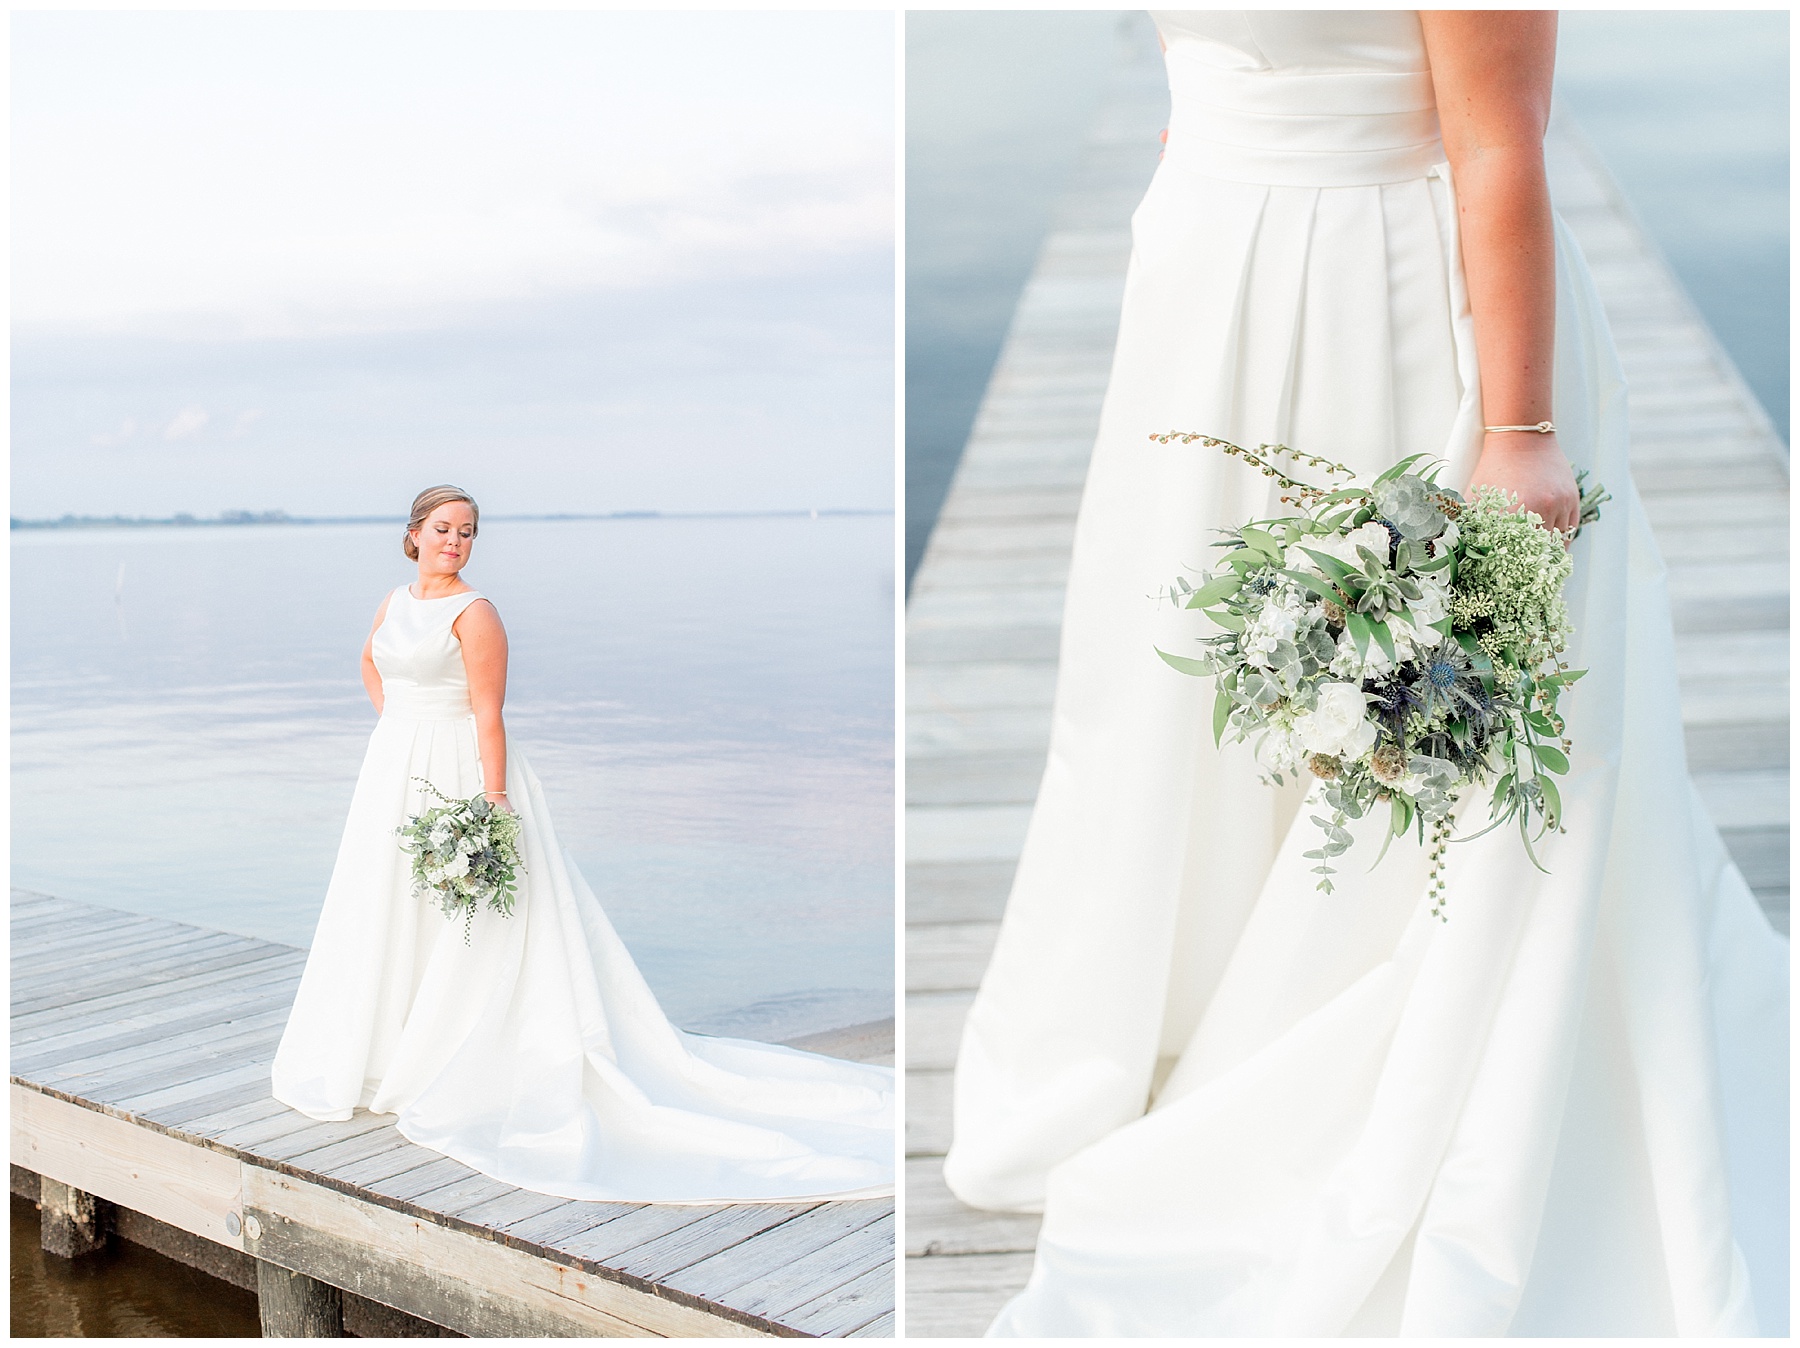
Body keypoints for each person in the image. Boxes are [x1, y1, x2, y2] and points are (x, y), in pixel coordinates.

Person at [943, 11, 1787, 1334]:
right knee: (1165, 689)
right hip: (1210, 284)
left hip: (1400, 302)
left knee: (1416, 712)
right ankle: (1196, 1003)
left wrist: (1518, 430)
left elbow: (1500, 142)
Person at [272, 484, 893, 1203]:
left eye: (468, 532)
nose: (456, 542)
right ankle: (390, 1047)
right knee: (389, 906)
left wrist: (493, 801)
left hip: (464, 770)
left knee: (473, 920)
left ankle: (456, 1054)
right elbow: (370, 665)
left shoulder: (477, 613)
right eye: (443, 529)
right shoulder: (396, 601)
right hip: (394, 770)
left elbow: (488, 712)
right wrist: (399, 728)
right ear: (414, 533)